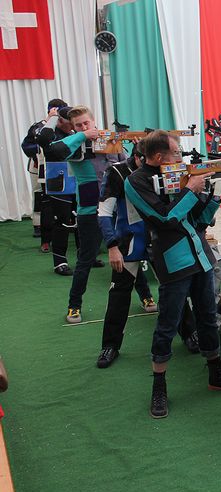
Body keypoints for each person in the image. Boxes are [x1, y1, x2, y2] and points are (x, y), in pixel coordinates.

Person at [125, 130, 221, 418]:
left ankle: (217, 372)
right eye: (176, 154)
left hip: (200, 256)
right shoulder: (137, 181)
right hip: (173, 261)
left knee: (207, 316)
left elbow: (200, 222)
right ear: (157, 158)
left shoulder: (177, 178)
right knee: (168, 323)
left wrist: (215, 194)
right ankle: (159, 386)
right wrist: (190, 189)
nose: (182, 158)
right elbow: (165, 218)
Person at [45, 106, 121, 323]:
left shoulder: (110, 141)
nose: (84, 127)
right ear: (73, 128)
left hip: (116, 207)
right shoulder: (73, 144)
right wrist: (83, 135)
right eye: (78, 125)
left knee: (129, 254)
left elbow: (127, 165)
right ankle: (74, 306)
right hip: (89, 210)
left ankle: (145, 296)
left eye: (87, 124)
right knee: (85, 260)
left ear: (94, 121)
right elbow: (54, 150)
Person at [95, 142, 167, 368]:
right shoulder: (115, 171)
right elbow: (104, 212)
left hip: (159, 241)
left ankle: (188, 334)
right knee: (119, 295)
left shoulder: (164, 169)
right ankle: (110, 346)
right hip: (128, 242)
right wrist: (112, 246)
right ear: (138, 157)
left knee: (173, 290)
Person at [32, 101, 83, 271]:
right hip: (59, 180)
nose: (74, 127)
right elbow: (43, 140)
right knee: (61, 222)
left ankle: (85, 257)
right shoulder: (50, 132)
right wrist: (52, 118)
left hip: (77, 179)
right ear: (61, 121)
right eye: (71, 123)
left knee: (82, 220)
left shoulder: (76, 132)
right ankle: (60, 262)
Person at [21, 98, 66, 251]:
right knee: (41, 197)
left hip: (59, 167)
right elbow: (27, 146)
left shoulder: (65, 128)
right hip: (38, 167)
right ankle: (38, 225)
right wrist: (41, 151)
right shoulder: (38, 127)